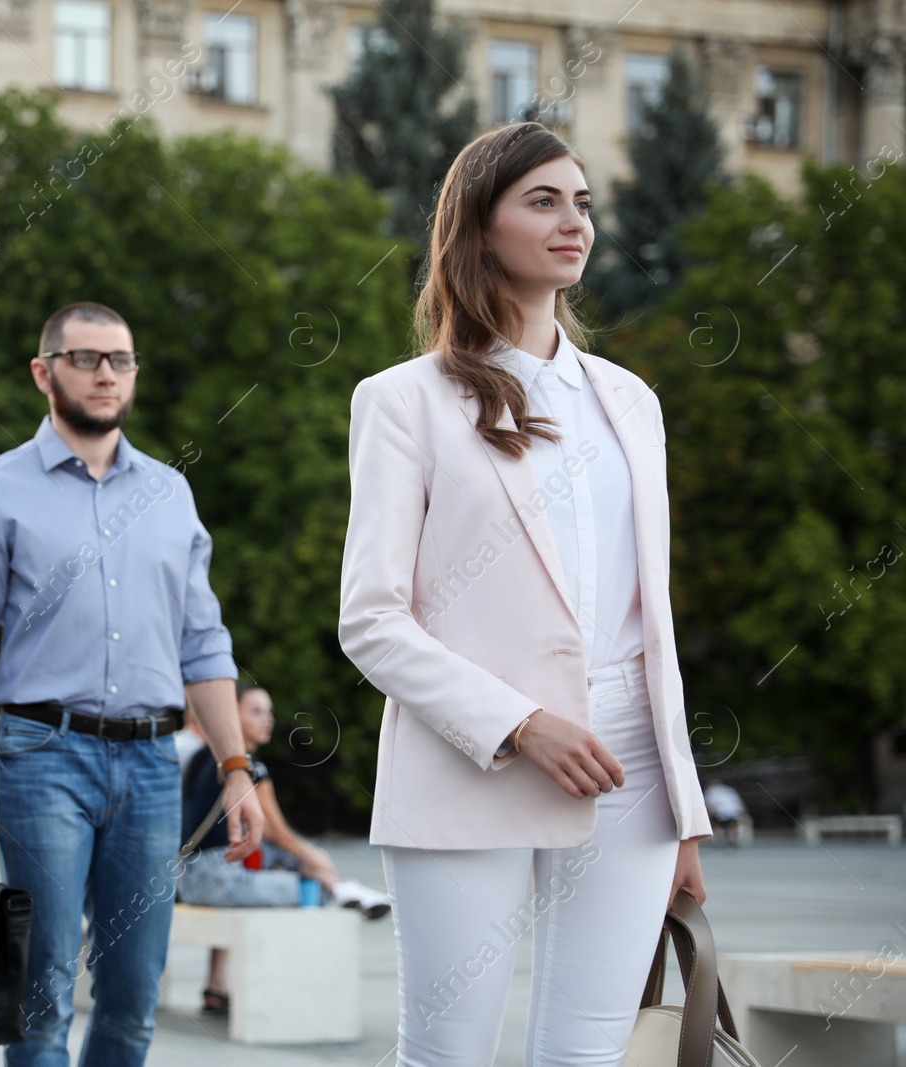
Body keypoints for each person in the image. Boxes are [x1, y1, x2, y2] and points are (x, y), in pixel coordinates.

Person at [338, 121, 712, 1066]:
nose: (573, 221)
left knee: (590, 1052)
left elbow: (652, 621)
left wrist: (686, 813)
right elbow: (371, 620)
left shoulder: (632, 401)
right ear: (477, 227)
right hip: (471, 759)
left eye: (582, 202)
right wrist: (519, 723)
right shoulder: (403, 399)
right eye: (542, 201)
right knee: (447, 1051)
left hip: (629, 766)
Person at [0, 301, 265, 1067]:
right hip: (42, 753)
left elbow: (203, 644)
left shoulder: (170, 493)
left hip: (153, 767)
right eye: (86, 358)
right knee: (44, 988)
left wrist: (236, 768)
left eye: (120, 358)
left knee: (132, 996)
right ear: (43, 372)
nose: (107, 373)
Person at [178, 684, 389, 1015]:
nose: (268, 720)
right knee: (314, 890)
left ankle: (215, 985)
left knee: (291, 863)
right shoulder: (245, 767)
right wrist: (319, 858)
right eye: (256, 711)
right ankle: (338, 891)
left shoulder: (206, 756)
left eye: (270, 712)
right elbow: (278, 833)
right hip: (214, 878)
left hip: (189, 876)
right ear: (232, 716)